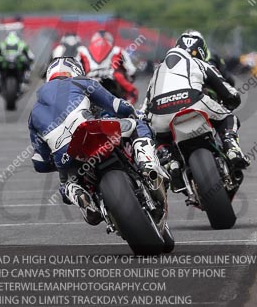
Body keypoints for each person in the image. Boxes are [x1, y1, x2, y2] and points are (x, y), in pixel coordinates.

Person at [28, 57, 167, 225]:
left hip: (66, 154)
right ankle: (147, 165)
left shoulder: (34, 113)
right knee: (137, 124)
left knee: (65, 184)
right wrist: (132, 112)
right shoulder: (80, 82)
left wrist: (56, 161)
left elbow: (40, 161)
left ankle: (79, 194)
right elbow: (117, 106)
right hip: (90, 130)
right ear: (76, 71)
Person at [142, 30, 248, 169]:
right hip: (193, 103)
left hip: (161, 113)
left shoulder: (158, 71)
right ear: (202, 52)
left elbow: (144, 108)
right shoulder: (200, 63)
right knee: (228, 118)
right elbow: (229, 91)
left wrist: (145, 119)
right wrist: (233, 100)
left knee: (157, 135)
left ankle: (169, 159)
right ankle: (230, 146)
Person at [78, 30, 138, 103]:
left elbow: (75, 68)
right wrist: (130, 77)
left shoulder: (82, 50)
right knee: (133, 92)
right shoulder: (118, 50)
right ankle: (128, 110)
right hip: (112, 81)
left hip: (89, 80)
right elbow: (131, 69)